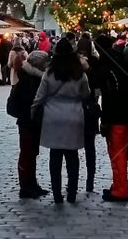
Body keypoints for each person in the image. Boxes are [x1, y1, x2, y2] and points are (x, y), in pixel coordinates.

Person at [31, 37, 90, 205]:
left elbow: (40, 96)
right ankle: (72, 192)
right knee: (72, 157)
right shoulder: (80, 73)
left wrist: (33, 111)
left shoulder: (49, 73)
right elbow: (86, 94)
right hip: (74, 116)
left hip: (53, 117)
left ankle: (57, 194)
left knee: (55, 157)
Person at [94, 33, 128, 203]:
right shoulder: (122, 59)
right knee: (120, 152)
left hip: (116, 114)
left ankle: (121, 190)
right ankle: (118, 185)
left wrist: (105, 119)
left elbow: (107, 94)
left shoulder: (105, 65)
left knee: (117, 153)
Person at [9, 48, 49, 198]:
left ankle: (32, 184)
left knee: (31, 153)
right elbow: (25, 102)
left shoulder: (34, 79)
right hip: (27, 122)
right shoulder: (29, 80)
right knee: (27, 154)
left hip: (31, 122)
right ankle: (26, 186)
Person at [77, 31, 102, 193]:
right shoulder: (94, 62)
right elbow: (98, 87)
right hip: (89, 109)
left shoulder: (74, 63)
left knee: (73, 149)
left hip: (77, 109)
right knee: (89, 148)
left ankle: (76, 181)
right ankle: (88, 181)